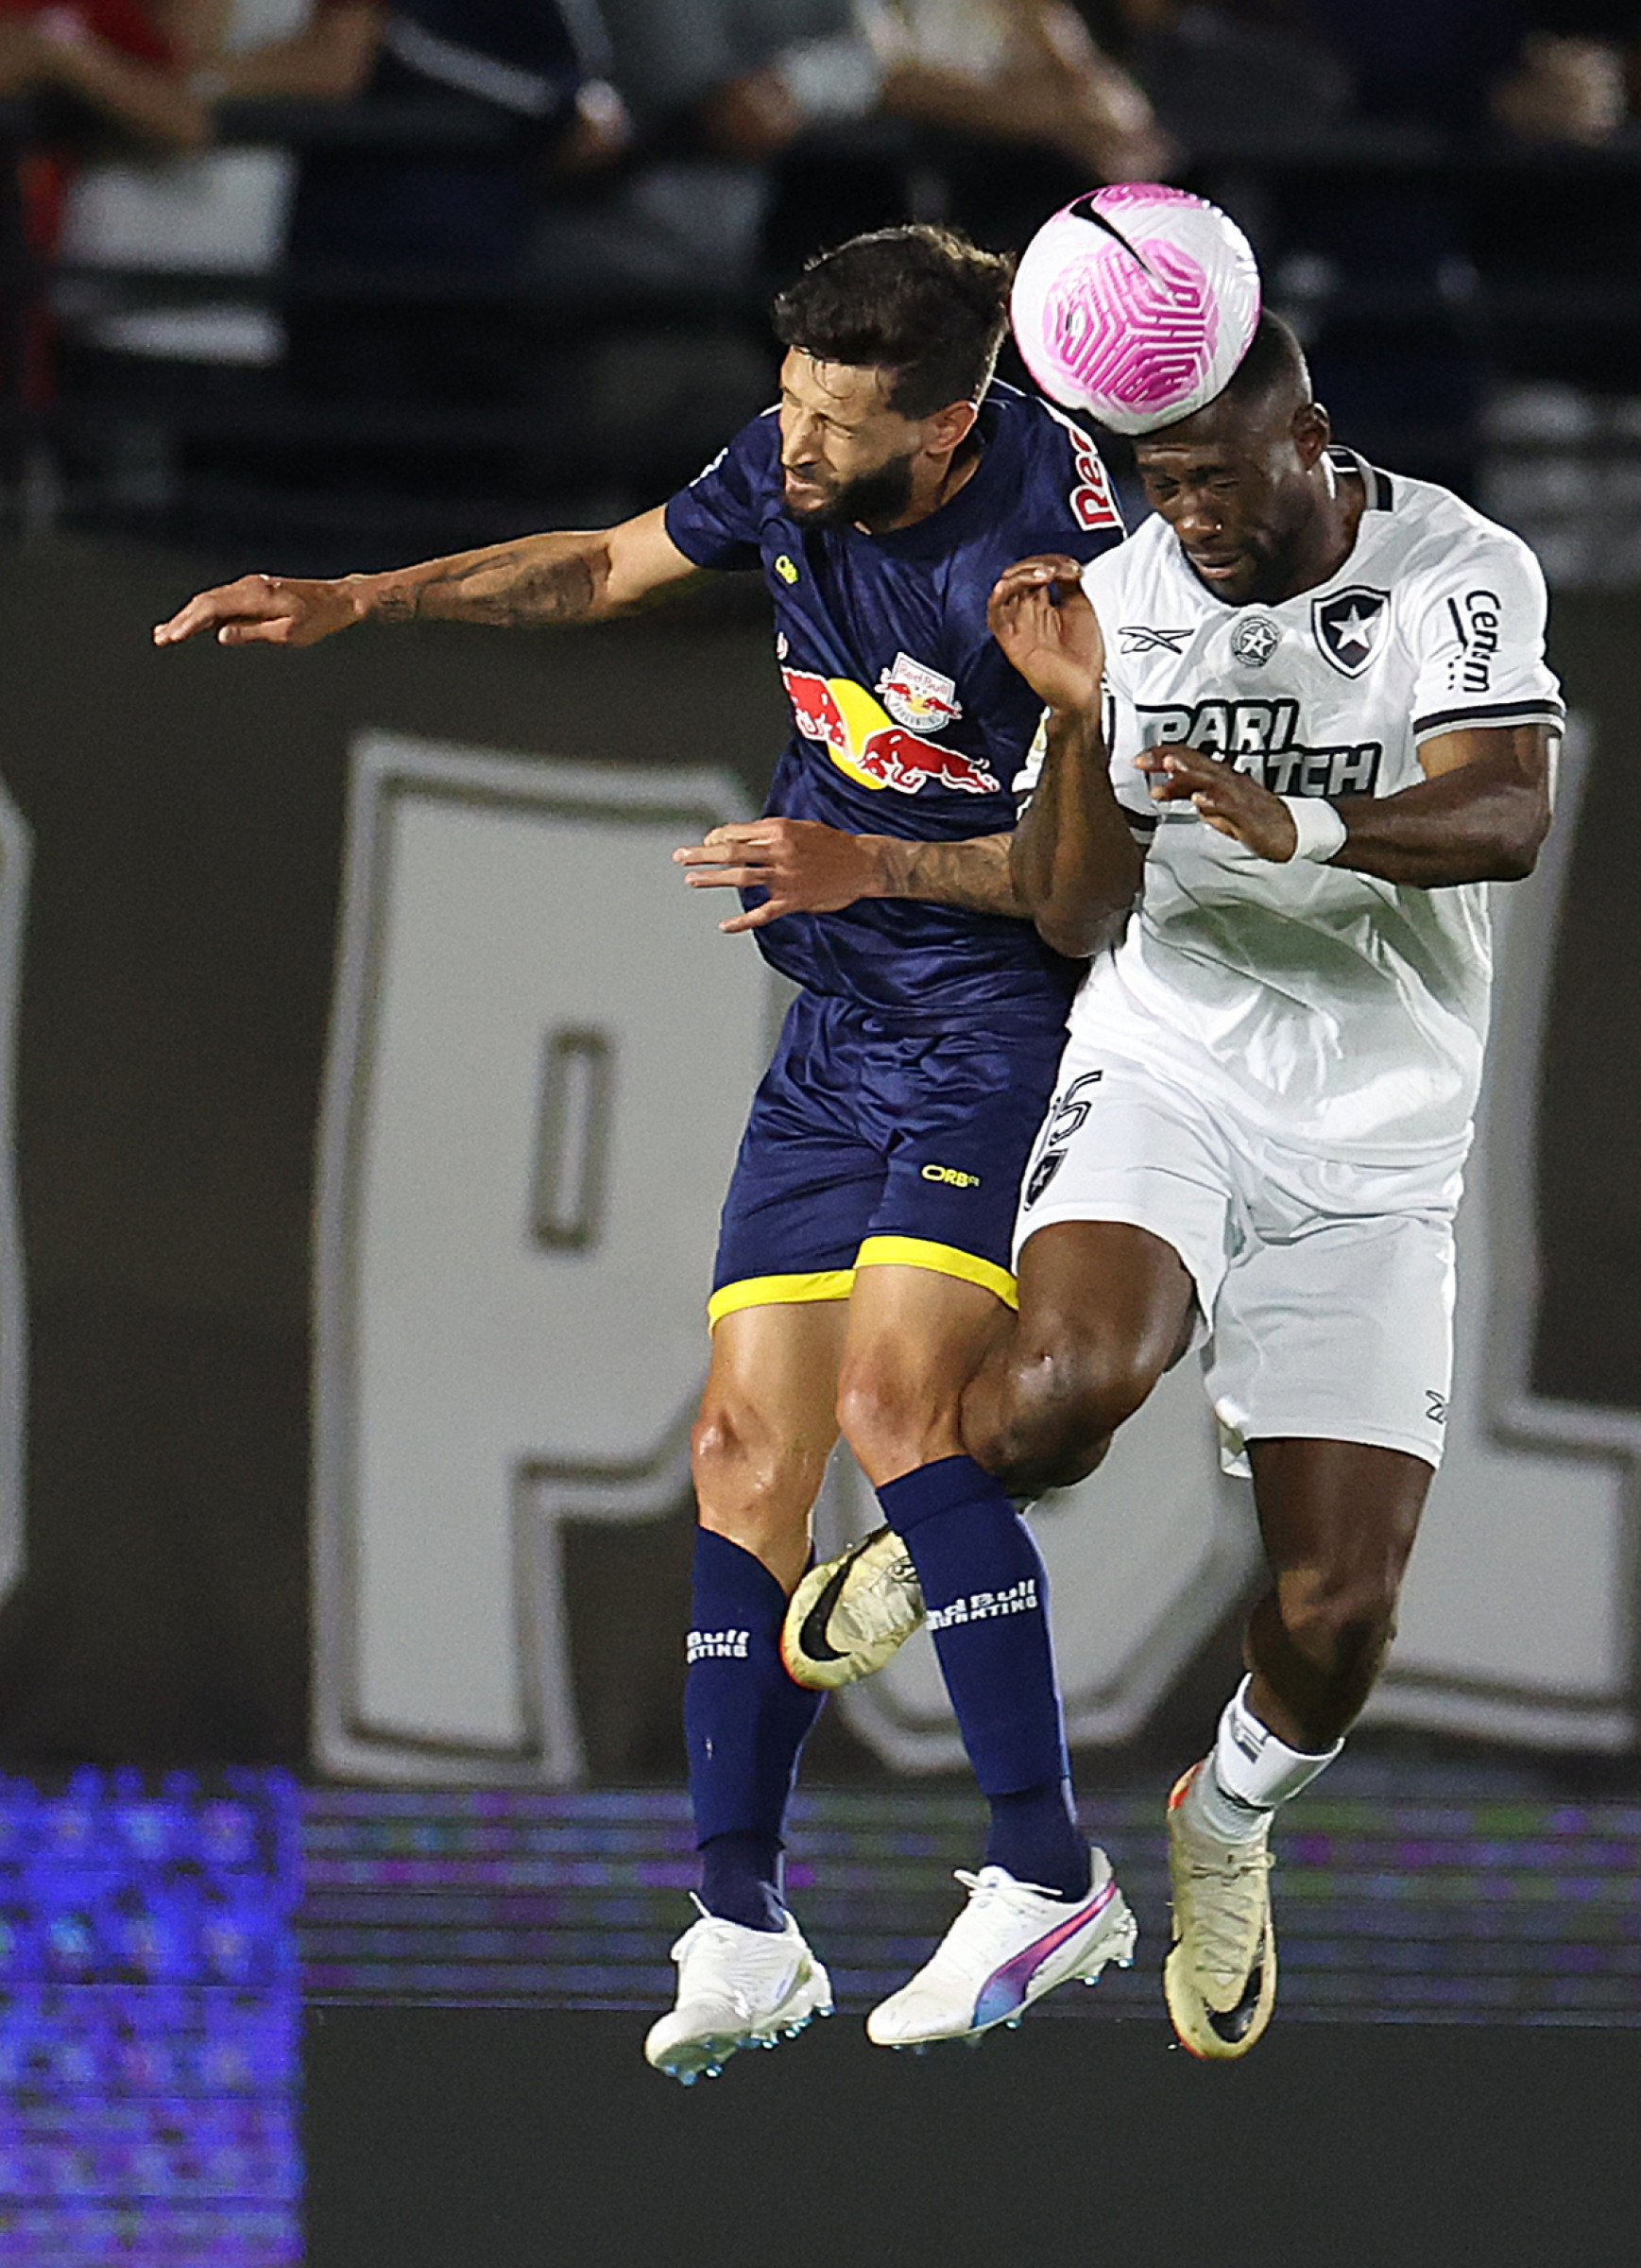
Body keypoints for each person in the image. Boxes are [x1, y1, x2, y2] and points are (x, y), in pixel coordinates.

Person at [150, 223, 1137, 2078]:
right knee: (739, 1444)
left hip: (1000, 1024)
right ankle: (743, 1926)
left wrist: (880, 861)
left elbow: (1095, 897)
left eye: (837, 422)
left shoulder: (1054, 568)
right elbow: (604, 566)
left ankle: (1046, 1872)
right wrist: (364, 599)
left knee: (892, 1417)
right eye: (787, 398)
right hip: (838, 1026)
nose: (793, 445)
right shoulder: (792, 457)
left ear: (951, 429)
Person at [787, 307, 1564, 2057]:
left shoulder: (1454, 564)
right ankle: (936, 1531)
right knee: (1067, 1388)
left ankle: (1223, 1825)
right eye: (1161, 480)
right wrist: (1077, 720)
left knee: (1340, 1605)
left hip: (1382, 1135)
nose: (1190, 512)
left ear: (1313, 440)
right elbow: (1073, 911)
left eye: (1218, 477)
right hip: (1175, 1059)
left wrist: (1317, 825)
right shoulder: (1124, 599)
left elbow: (1507, 813)